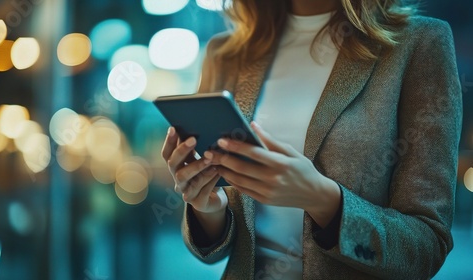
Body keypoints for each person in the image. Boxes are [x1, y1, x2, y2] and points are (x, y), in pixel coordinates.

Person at [161, 0, 463, 278]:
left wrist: (321, 198)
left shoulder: (419, 42)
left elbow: (427, 246)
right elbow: (220, 248)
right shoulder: (226, 53)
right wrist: (209, 208)